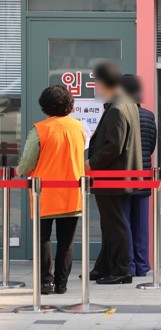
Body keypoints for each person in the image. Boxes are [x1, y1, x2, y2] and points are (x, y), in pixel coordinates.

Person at [17, 86, 85, 294]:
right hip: (72, 192)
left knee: (42, 238)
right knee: (66, 241)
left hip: (44, 194)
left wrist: (20, 171)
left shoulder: (40, 129)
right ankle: (62, 284)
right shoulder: (78, 128)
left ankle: (45, 283)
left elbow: (28, 163)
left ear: (44, 105)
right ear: (69, 104)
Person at [86, 61, 143, 285]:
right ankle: (105, 267)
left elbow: (113, 146)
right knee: (110, 224)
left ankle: (121, 270)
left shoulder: (118, 107)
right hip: (119, 176)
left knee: (115, 224)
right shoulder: (125, 103)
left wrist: (91, 163)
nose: (95, 87)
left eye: (96, 83)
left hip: (112, 176)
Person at [121, 74, 157, 277]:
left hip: (122, 177)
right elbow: (151, 145)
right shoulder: (148, 115)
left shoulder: (119, 114)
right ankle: (142, 266)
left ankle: (130, 265)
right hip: (143, 174)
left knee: (124, 222)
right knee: (141, 223)